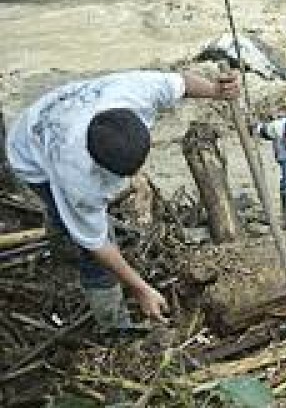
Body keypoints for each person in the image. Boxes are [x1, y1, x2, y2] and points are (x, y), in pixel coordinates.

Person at [6, 69, 240, 332]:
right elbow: (97, 245)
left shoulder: (136, 93)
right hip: (29, 152)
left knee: (73, 218)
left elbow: (183, 82)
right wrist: (141, 289)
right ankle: (113, 325)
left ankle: (63, 226)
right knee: (91, 256)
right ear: (98, 167)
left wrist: (215, 90)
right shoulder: (78, 178)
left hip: (57, 109)